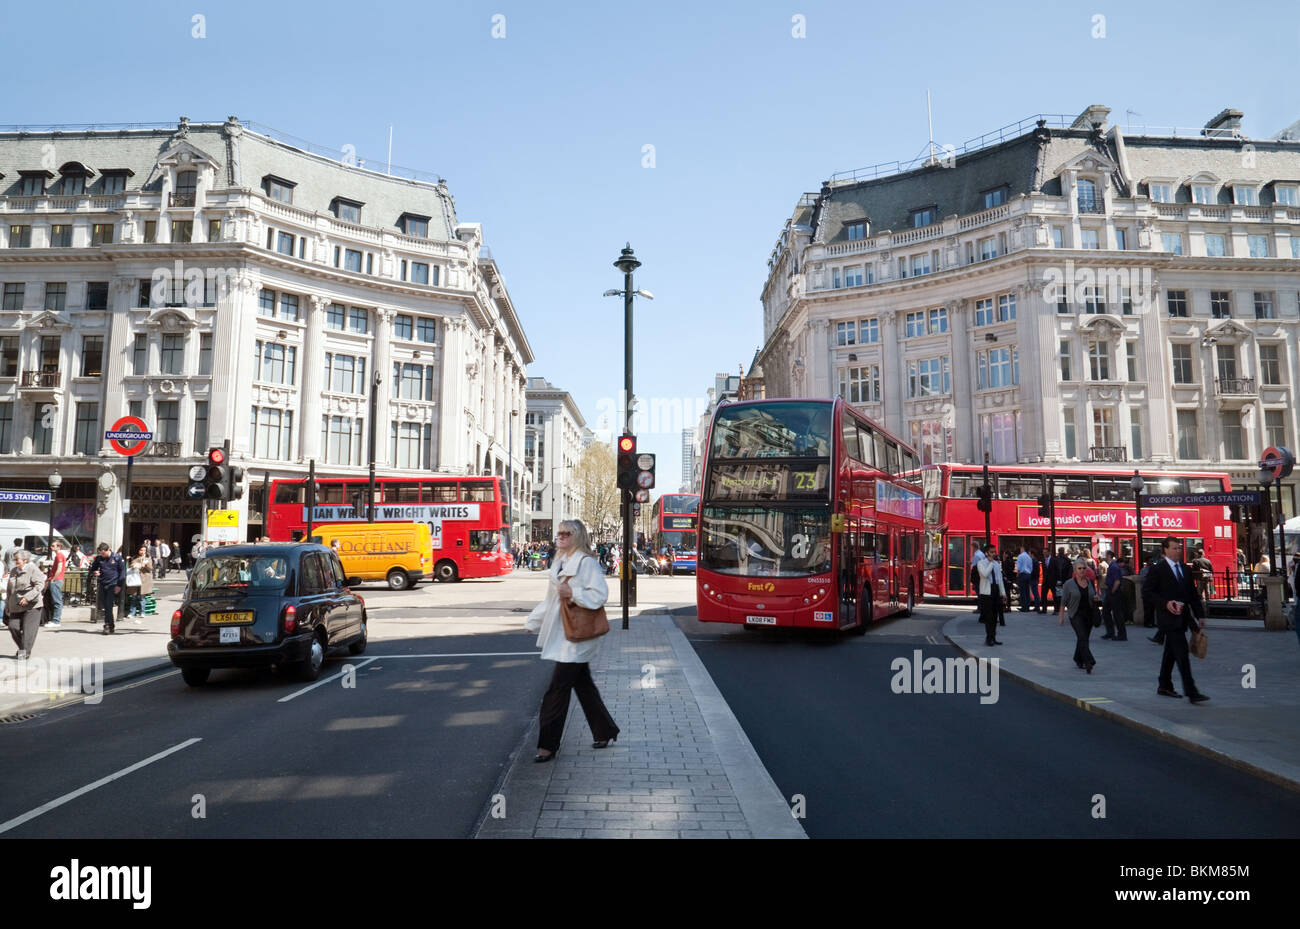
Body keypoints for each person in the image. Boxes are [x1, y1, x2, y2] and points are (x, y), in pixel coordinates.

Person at [523, 519, 618, 763]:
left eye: (567, 533)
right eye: (560, 533)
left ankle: (548, 745)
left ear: (577, 537)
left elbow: (599, 596)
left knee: (557, 689)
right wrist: (533, 622)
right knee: (583, 686)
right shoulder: (558, 563)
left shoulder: (586, 563)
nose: (561, 537)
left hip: (578, 635)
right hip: (564, 633)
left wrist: (573, 593)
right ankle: (605, 731)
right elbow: (551, 600)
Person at [1142, 536, 1209, 703]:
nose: (1178, 551)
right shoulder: (1158, 570)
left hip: (1184, 618)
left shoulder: (1185, 570)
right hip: (1168, 619)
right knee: (1182, 654)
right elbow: (1147, 593)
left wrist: (1200, 615)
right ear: (1165, 550)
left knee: (1170, 653)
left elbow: (1192, 595)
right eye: (1174, 548)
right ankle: (1191, 691)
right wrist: (1165, 603)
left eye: (1179, 548)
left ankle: (1164, 685)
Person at [1058, 558, 1102, 673]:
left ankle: (1077, 658)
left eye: (1084, 568)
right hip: (1075, 614)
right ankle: (1088, 661)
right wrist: (1061, 616)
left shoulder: (1089, 581)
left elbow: (1094, 594)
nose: (1082, 570)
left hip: (1089, 614)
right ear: (1075, 570)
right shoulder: (1069, 584)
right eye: (1079, 568)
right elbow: (1063, 601)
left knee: (1083, 638)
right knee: (1082, 637)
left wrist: (1096, 598)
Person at [5, 550, 48, 659]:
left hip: (32, 606)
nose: (15, 562)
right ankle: (23, 648)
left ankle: (24, 653)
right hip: (16, 604)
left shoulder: (32, 569)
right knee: (12, 626)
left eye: (17, 560)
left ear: (25, 560)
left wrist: (27, 597)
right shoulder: (14, 570)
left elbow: (40, 585)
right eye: (14, 559)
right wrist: (7, 604)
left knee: (28, 632)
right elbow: (10, 589)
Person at [89, 542, 125, 634]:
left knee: (109, 605)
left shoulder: (117, 558)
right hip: (103, 583)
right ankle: (111, 625)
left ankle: (107, 625)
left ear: (108, 550)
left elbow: (122, 573)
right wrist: (95, 572)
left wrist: (119, 585)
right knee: (105, 606)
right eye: (101, 553)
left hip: (113, 584)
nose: (102, 555)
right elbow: (93, 569)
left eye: (103, 553)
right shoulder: (99, 559)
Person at [975, 543, 1005, 646]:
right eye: (991, 552)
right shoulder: (981, 563)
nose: (993, 554)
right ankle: (988, 638)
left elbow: (999, 579)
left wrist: (1003, 593)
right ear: (986, 553)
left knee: (995, 616)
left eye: (994, 552)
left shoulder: (997, 564)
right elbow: (984, 574)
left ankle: (993, 637)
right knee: (989, 616)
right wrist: (991, 563)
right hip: (986, 592)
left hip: (996, 590)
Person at [1100, 551, 1128, 640]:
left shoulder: (1114, 567)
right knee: (1106, 612)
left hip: (1113, 592)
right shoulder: (1112, 566)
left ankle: (1121, 635)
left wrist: (1112, 591)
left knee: (1117, 614)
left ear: (1109, 556)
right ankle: (1110, 632)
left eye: (1105, 555)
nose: (1104, 557)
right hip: (1111, 591)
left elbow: (1117, 581)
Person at [43, 539, 67, 630]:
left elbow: (59, 569)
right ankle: (55, 620)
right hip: (56, 580)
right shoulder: (59, 556)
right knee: (55, 600)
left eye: (53, 546)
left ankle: (56, 620)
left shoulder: (59, 556)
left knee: (57, 601)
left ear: (59, 547)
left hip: (56, 580)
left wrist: (53, 579)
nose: (51, 547)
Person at [127, 545, 153, 620]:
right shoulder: (135, 557)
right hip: (135, 579)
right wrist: (137, 564)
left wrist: (145, 564)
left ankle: (142, 612)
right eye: (141, 550)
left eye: (144, 550)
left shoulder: (148, 558)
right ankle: (132, 612)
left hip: (144, 580)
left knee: (142, 597)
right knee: (134, 597)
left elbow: (150, 569)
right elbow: (131, 565)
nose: (142, 552)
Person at [1015, 545, 1036, 612]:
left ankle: (1024, 607)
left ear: (1022, 549)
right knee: (1027, 591)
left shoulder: (1020, 556)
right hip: (1028, 575)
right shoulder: (1029, 557)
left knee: (1022, 591)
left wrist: (1018, 574)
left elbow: (1018, 567)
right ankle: (1027, 606)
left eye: (1020, 549)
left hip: (1022, 574)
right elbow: (1031, 567)